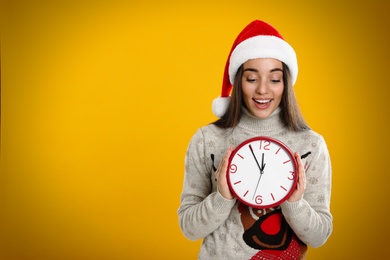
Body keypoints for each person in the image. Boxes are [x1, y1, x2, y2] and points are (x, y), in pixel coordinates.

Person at [178, 20, 332, 260]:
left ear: (286, 83)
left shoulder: (311, 146)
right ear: (238, 81)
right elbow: (189, 228)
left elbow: (319, 235)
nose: (262, 89)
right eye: (251, 79)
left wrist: (295, 202)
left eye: (274, 79)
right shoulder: (207, 140)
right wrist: (222, 197)